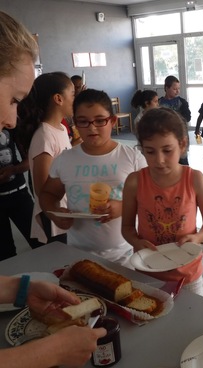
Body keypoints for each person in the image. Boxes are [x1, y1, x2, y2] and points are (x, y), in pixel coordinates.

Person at [0, 10, 105, 367]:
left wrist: (18, 288)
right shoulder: (45, 136)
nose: (13, 121)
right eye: (13, 99)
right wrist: (43, 354)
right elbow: (44, 187)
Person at [39, 89, 147, 266]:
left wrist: (122, 207)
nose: (92, 127)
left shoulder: (132, 158)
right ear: (75, 123)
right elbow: (48, 194)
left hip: (125, 254)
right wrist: (54, 214)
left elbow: (148, 198)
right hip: (78, 254)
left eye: (99, 120)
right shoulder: (65, 160)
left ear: (112, 121)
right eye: (83, 121)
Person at [121, 107, 203, 295]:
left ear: (182, 145)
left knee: (192, 320)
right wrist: (136, 242)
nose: (159, 160)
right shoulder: (134, 182)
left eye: (167, 150)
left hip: (188, 274)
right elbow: (127, 227)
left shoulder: (195, 179)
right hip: (147, 273)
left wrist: (196, 238)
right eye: (150, 151)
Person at [17, 72, 74, 245]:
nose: (75, 99)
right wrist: (56, 212)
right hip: (54, 214)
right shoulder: (44, 136)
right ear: (58, 98)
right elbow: (43, 190)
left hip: (64, 208)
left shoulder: (61, 129)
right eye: (72, 94)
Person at [0, 128, 44, 260]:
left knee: (41, 243)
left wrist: (13, 170)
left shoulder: (10, 125)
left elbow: (30, 160)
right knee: (5, 255)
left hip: (19, 196)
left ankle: (50, 279)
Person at [159, 76, 191, 165]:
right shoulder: (159, 103)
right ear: (166, 88)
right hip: (165, 137)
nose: (177, 91)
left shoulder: (182, 102)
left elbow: (187, 117)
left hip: (180, 136)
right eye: (174, 89)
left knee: (183, 161)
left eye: (178, 88)